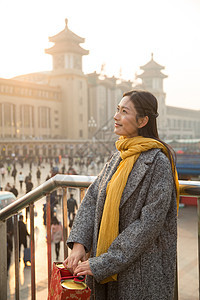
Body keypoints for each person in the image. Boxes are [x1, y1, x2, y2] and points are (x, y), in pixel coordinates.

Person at [63, 90, 179, 300]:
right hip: (107, 266)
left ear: (143, 120)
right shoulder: (120, 155)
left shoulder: (158, 162)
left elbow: (148, 224)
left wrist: (104, 262)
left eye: (124, 111)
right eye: (117, 109)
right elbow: (92, 197)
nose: (115, 116)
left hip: (141, 271)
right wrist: (79, 244)